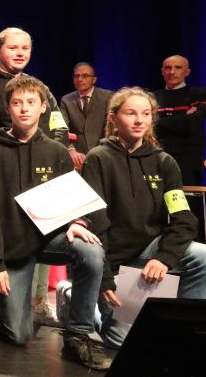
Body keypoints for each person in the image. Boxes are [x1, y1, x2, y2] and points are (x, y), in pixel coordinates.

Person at [0, 75, 110, 369]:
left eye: (31, 102)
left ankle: (79, 334)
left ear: (43, 107)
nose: (24, 109)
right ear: (7, 108)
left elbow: (71, 198)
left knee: (91, 251)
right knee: (18, 335)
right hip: (13, 249)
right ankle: (0, 303)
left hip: (49, 239)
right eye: (17, 103)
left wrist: (77, 221)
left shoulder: (56, 151)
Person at [78, 87, 203, 348]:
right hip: (114, 263)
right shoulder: (98, 159)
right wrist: (104, 278)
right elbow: (95, 223)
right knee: (126, 344)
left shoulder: (164, 162)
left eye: (145, 114)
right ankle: (79, 300)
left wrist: (164, 257)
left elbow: (184, 219)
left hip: (148, 256)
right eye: (131, 113)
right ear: (113, 118)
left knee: (202, 256)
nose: (139, 120)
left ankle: (187, 326)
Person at [0, 27, 69, 325]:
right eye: (13, 47)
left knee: (43, 229)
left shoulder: (40, 87)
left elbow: (58, 125)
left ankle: (39, 301)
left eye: (25, 48)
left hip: (40, 168)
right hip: (3, 169)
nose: (20, 52)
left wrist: (48, 151)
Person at [153, 55, 206, 186]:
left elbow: (193, 122)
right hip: (157, 156)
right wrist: (183, 117)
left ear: (187, 72)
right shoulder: (152, 97)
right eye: (168, 68)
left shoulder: (199, 94)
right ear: (162, 72)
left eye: (178, 68)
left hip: (188, 160)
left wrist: (157, 121)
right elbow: (146, 125)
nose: (172, 72)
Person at [59, 62, 112, 168]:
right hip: (78, 157)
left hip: (104, 154)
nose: (80, 79)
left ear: (94, 79)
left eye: (85, 76)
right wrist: (71, 149)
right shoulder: (66, 100)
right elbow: (61, 128)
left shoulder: (108, 97)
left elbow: (113, 128)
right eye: (76, 76)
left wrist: (103, 150)